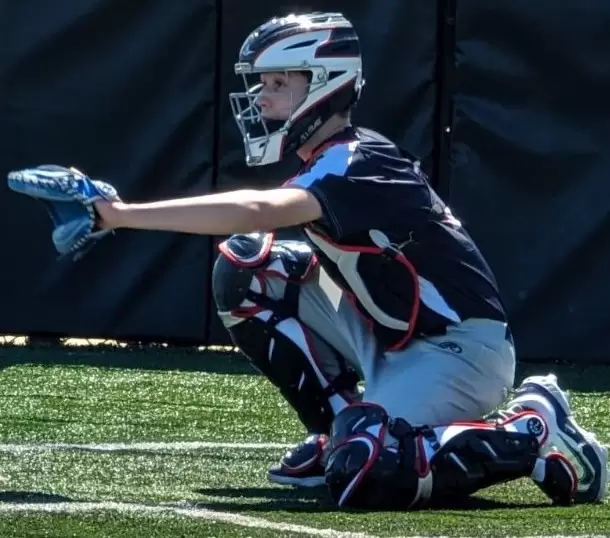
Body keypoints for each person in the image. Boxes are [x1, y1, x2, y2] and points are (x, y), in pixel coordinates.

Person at [88, 12, 607, 509]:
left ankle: (532, 430)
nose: (261, 97)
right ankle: (336, 430)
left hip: (458, 350)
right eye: (262, 84)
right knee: (248, 268)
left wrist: (121, 214)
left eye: (277, 83)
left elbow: (258, 209)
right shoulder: (330, 160)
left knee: (368, 470)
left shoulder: (359, 160)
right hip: (393, 330)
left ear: (323, 85)